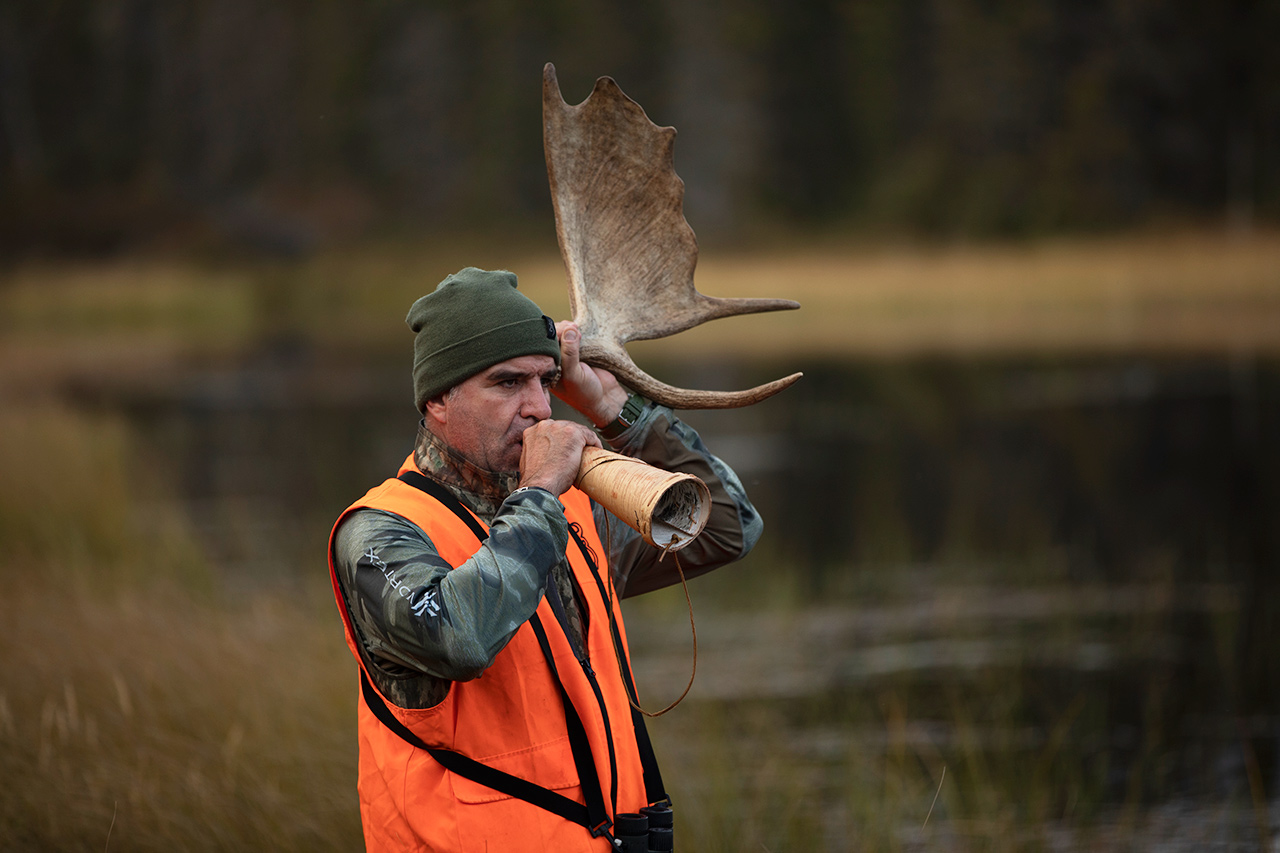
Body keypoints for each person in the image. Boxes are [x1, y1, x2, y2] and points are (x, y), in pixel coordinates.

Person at [328, 267, 762, 851]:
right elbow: (457, 637)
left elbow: (728, 526)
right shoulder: (379, 531)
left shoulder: (573, 509)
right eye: (507, 383)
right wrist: (537, 493)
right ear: (437, 401)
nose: (538, 407)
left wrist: (614, 407)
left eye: (546, 380)